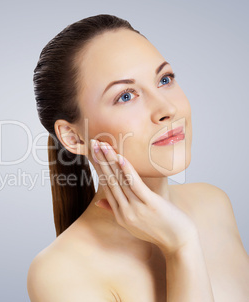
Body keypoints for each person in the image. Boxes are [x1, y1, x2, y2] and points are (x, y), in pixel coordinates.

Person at [27, 14, 249, 301]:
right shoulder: (59, 273)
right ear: (74, 137)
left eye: (164, 79)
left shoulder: (213, 203)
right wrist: (181, 245)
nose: (166, 108)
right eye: (126, 96)